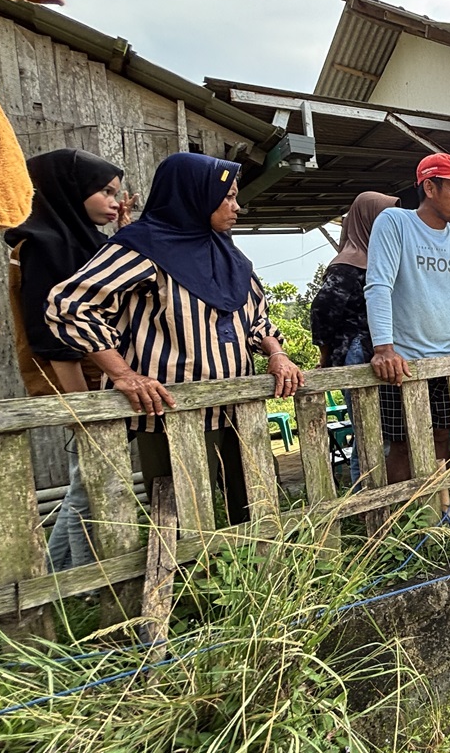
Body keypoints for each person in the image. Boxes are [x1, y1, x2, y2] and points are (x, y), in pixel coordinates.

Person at [47, 152, 302, 526]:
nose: (237, 207)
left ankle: (263, 577)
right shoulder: (142, 248)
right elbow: (70, 305)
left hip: (237, 409)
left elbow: (256, 318)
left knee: (255, 506)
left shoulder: (230, 257)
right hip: (171, 414)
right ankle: (192, 582)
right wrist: (123, 374)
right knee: (184, 517)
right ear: (193, 195)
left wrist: (276, 352)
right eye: (227, 197)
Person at [6, 149, 131, 571]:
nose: (114, 201)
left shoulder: (83, 240)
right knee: (93, 482)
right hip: (77, 381)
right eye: (105, 192)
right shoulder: (45, 243)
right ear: (70, 190)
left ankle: (58, 575)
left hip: (97, 380)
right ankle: (84, 579)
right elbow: (50, 330)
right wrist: (85, 406)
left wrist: (125, 234)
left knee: (86, 480)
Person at [367, 153, 450, 483]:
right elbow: (378, 285)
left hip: (449, 359)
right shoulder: (395, 223)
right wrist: (384, 347)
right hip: (405, 362)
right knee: (401, 445)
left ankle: (440, 508)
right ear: (430, 187)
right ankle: (404, 516)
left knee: (442, 436)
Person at [310, 191, 398, 487]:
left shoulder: (376, 258)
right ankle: (365, 495)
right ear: (368, 220)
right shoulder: (349, 262)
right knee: (368, 430)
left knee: (383, 428)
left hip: (377, 351)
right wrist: (326, 354)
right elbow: (322, 309)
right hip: (360, 352)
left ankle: (379, 493)